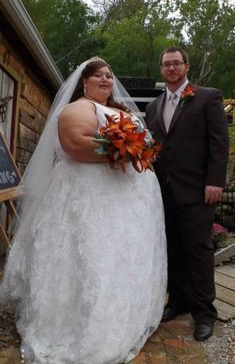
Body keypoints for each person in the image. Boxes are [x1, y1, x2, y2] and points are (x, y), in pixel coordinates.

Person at [0, 58, 167, 364]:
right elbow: (75, 144)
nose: (106, 80)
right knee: (93, 256)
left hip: (128, 204)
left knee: (123, 257)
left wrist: (139, 150)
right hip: (92, 197)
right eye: (98, 76)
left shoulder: (121, 110)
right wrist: (121, 151)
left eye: (108, 75)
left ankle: (123, 315)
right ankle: (85, 325)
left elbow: (141, 144)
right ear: (84, 82)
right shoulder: (80, 107)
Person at [145, 46, 229, 342]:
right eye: (166, 64)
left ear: (186, 66)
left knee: (198, 250)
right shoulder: (153, 107)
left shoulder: (207, 97)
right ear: (161, 69)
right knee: (173, 250)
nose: (171, 68)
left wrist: (215, 181)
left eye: (176, 63)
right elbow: (154, 147)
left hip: (198, 190)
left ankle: (204, 313)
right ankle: (178, 300)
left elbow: (219, 143)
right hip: (163, 191)